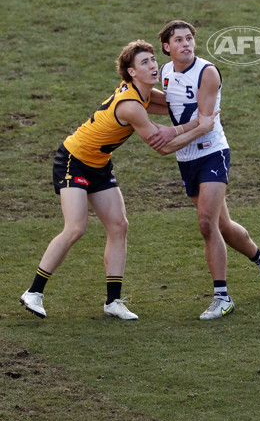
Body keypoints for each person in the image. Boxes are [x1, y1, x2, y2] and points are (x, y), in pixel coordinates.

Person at [20, 40, 217, 320]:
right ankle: (34, 292)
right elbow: (162, 146)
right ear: (131, 72)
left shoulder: (146, 93)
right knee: (76, 227)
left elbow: (176, 106)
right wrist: (200, 126)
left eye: (152, 59)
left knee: (119, 225)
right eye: (145, 62)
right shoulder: (131, 106)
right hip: (73, 161)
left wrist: (209, 90)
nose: (153, 66)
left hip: (99, 165)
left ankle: (113, 301)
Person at [157, 20, 260, 320]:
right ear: (166, 47)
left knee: (206, 223)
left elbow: (204, 125)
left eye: (189, 39)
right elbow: (171, 104)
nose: (185, 44)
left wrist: (170, 140)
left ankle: (222, 297)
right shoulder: (165, 73)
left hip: (212, 153)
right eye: (178, 40)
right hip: (186, 161)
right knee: (223, 225)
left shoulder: (207, 72)